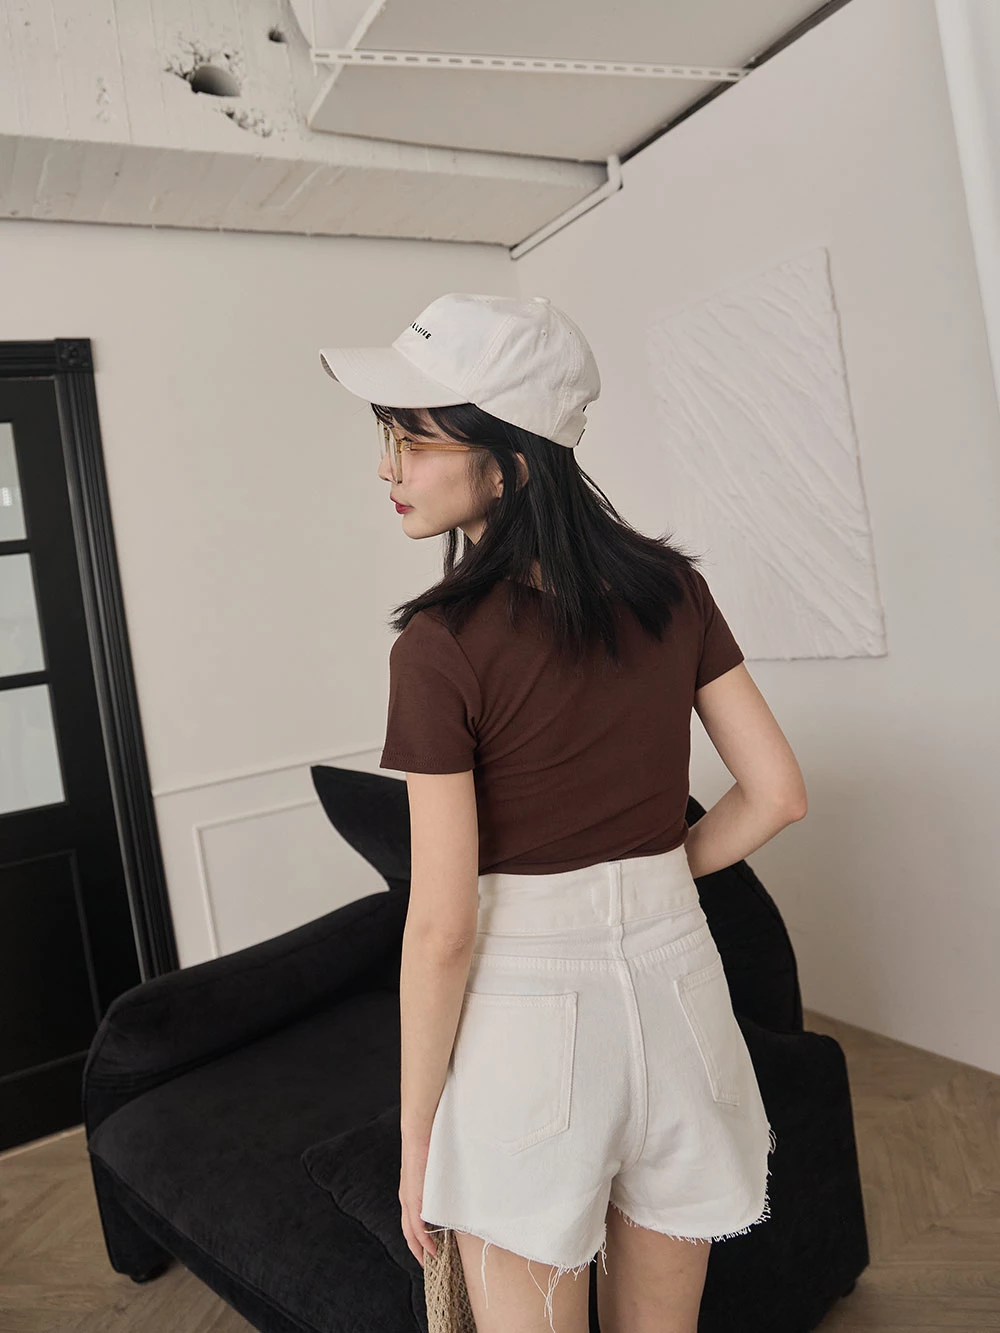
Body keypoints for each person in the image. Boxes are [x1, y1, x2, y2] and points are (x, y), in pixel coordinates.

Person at [317, 293, 807, 1333]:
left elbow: (443, 926)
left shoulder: (439, 647)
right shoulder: (673, 590)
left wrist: (416, 1140)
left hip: (529, 1030)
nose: (387, 468)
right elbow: (776, 793)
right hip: (684, 999)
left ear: (511, 462)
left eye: (414, 441)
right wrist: (659, 873)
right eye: (387, 438)